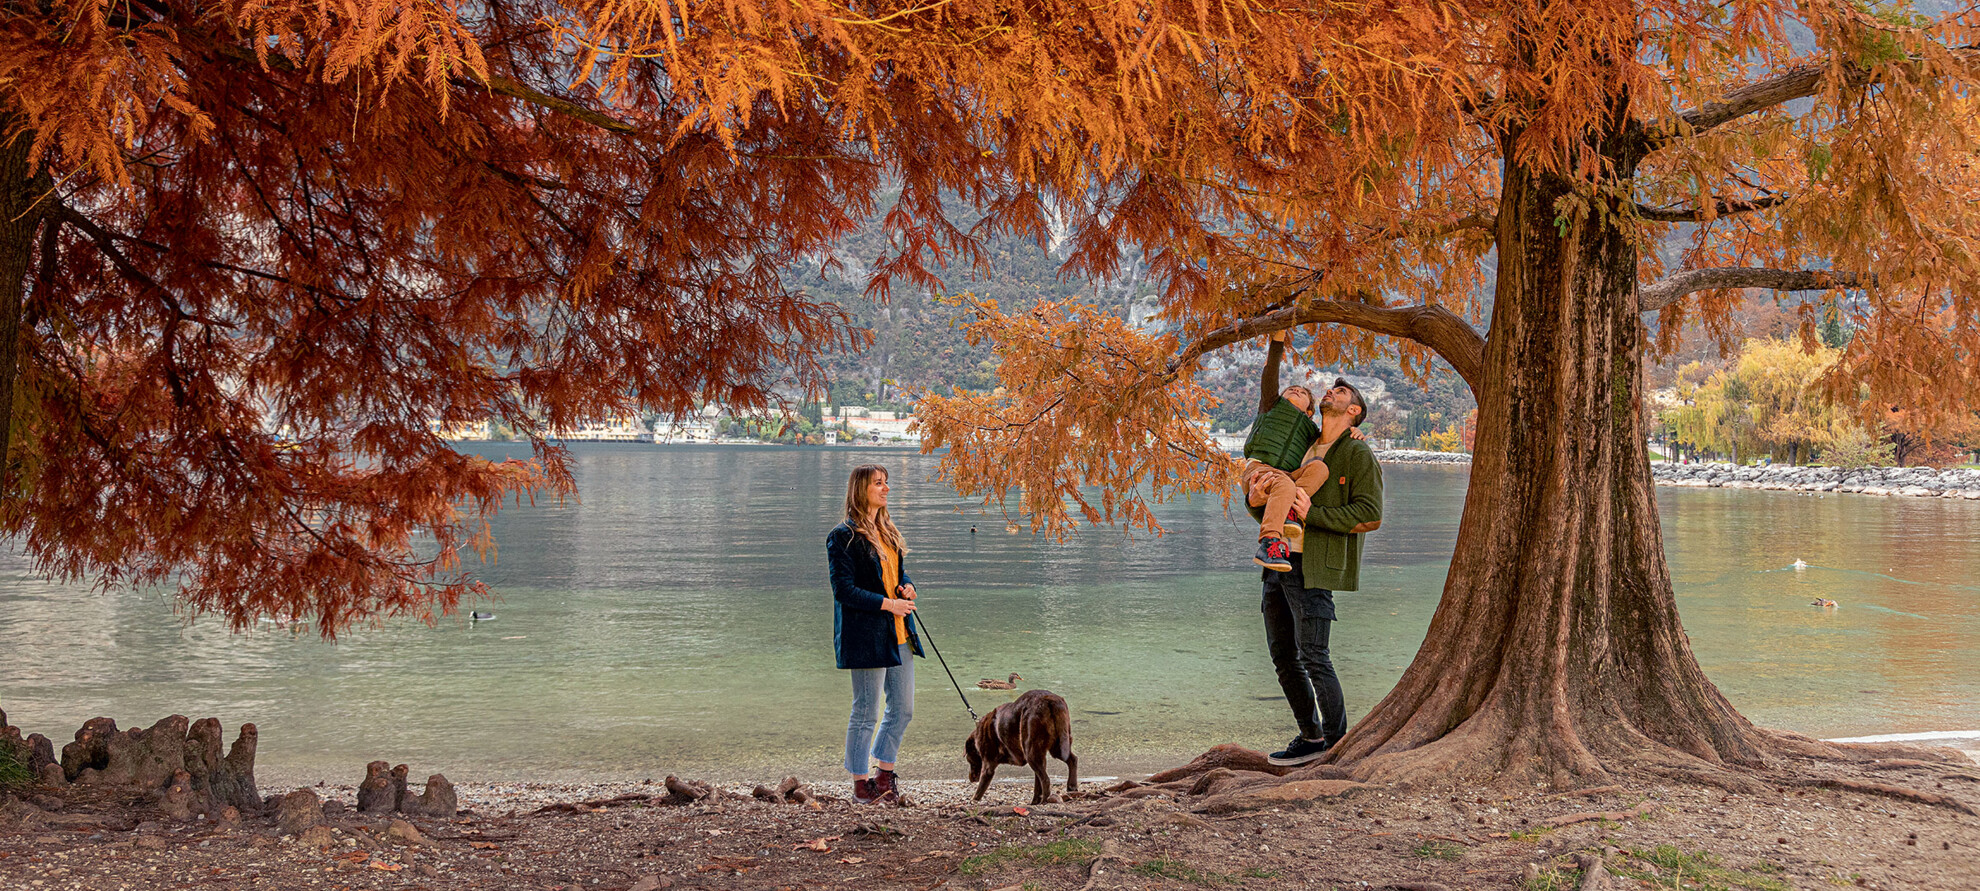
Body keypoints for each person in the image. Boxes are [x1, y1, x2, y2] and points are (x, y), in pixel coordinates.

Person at [1246, 375, 1382, 766]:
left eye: (1341, 392)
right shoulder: (1302, 445)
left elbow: (1370, 515)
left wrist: (1314, 514)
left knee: (1315, 655)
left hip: (1314, 567)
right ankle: (1310, 736)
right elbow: (1273, 500)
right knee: (1283, 656)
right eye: (1332, 389)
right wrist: (1255, 501)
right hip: (1277, 559)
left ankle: (1338, 747)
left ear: (1353, 411)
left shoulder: (1357, 454)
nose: (1330, 392)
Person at [826, 464, 923, 804]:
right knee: (866, 712)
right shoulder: (843, 536)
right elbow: (844, 591)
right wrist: (887, 604)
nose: (885, 489)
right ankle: (859, 783)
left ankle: (884, 775)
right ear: (860, 490)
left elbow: (898, 573)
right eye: (878, 484)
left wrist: (907, 588)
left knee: (903, 709)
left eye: (886, 483)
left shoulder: (888, 531)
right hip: (866, 637)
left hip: (899, 635)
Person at [1238, 331, 1327, 573]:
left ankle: (1289, 510)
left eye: (1303, 393)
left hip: (1285, 476)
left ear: (1310, 411)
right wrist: (1277, 338)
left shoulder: (1311, 430)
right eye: (1292, 390)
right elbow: (1271, 372)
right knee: (1285, 485)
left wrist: (1355, 432)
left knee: (1319, 468)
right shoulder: (1271, 405)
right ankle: (1268, 543)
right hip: (1259, 469)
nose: (1296, 391)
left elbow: (1333, 436)